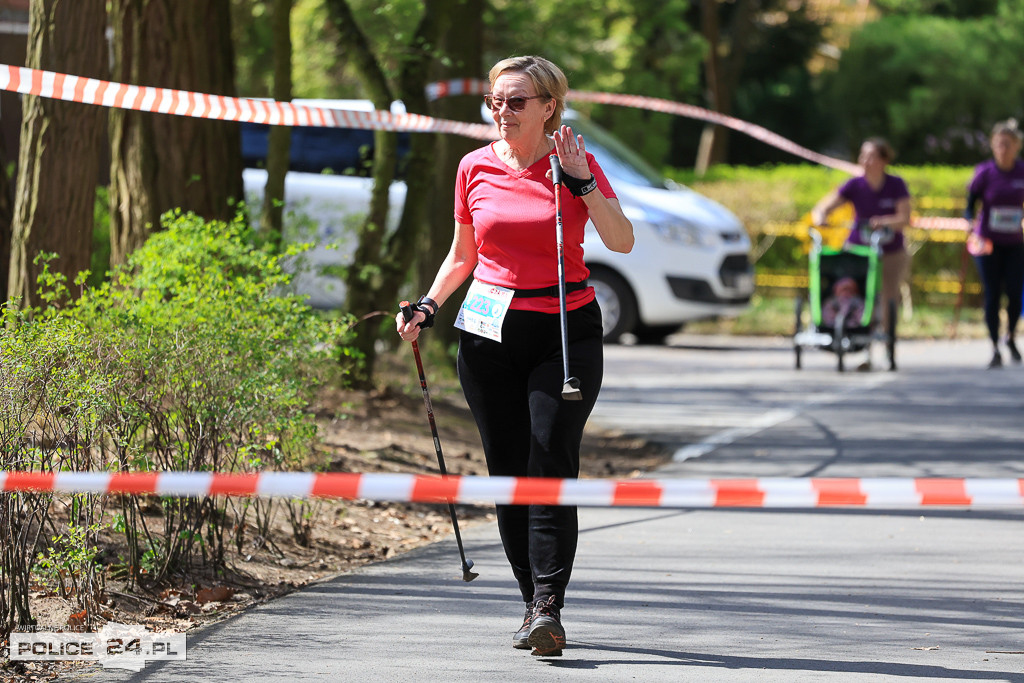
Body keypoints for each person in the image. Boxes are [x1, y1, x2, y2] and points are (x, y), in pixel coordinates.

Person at [395, 56, 633, 657]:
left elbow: (622, 240)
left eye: (517, 101)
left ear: (549, 106)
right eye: (495, 100)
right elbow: (462, 255)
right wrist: (427, 306)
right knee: (508, 471)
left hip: (564, 331)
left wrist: (582, 182)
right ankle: (532, 604)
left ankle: (550, 604)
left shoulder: (572, 162)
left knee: (549, 459)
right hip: (489, 332)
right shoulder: (473, 166)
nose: (503, 111)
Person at [811, 138, 911, 368]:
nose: (865, 161)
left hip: (890, 251)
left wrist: (884, 222)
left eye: (871, 156)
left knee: (888, 298)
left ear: (884, 160)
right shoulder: (854, 185)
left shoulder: (896, 185)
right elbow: (825, 205)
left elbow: (904, 218)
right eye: (863, 156)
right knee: (857, 295)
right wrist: (821, 216)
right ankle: (860, 345)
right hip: (859, 251)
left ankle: (887, 348)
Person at [964, 118, 1024, 368]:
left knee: (1014, 293)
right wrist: (969, 222)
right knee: (992, 293)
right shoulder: (985, 172)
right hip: (988, 242)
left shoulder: (1021, 171)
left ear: (1016, 146)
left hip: (1015, 242)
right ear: (992, 145)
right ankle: (994, 346)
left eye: (1008, 144)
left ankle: (1010, 336)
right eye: (999, 144)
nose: (1003, 149)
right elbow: (970, 204)